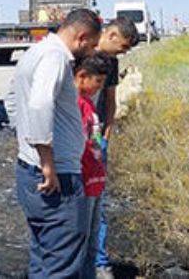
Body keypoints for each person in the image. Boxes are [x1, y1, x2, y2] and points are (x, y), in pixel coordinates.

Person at [6, 8, 102, 278]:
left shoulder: (35, 52)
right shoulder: (55, 57)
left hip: (32, 170)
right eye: (92, 45)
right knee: (61, 263)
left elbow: (11, 101)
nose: (93, 52)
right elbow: (39, 103)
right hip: (56, 177)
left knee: (45, 256)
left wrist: (26, 143)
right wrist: (47, 162)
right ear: (81, 37)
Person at [90, 17, 140, 279]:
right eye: (122, 47)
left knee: (97, 200)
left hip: (97, 140)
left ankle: (99, 262)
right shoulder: (80, 54)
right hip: (72, 140)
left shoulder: (111, 63)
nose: (124, 53)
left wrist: (106, 134)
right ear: (109, 35)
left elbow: (110, 100)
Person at [74, 54, 112, 278]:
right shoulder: (75, 104)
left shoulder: (88, 103)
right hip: (84, 179)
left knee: (92, 235)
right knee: (81, 236)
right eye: (97, 82)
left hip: (95, 178)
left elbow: (94, 139)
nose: (99, 88)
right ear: (82, 76)